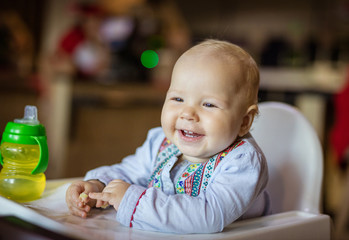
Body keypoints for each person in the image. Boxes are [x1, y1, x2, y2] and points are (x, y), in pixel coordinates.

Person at [65, 39, 271, 233]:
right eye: (178, 98)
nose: (187, 113)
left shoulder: (242, 161)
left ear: (244, 121)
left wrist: (132, 201)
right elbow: (130, 172)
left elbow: (210, 215)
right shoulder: (161, 143)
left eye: (208, 104)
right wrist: (98, 187)